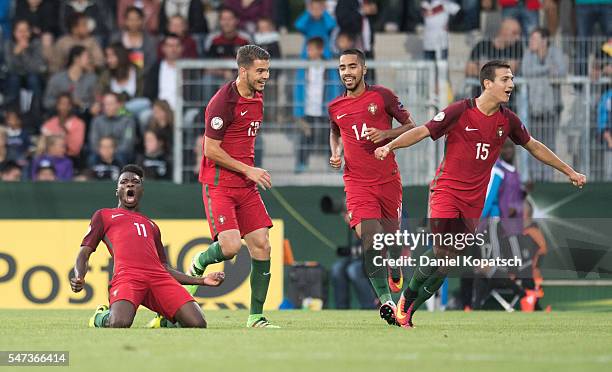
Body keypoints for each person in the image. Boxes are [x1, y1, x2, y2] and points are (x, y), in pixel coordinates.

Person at [374, 60, 587, 328]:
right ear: (487, 83)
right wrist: (390, 146)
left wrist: (569, 171)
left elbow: (534, 146)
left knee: (447, 262)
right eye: (505, 79)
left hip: (474, 202)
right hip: (446, 191)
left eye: (512, 79)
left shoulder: (507, 120)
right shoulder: (460, 111)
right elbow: (422, 131)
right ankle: (406, 297)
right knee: (442, 251)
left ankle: (408, 313)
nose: (511, 84)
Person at [173, 45, 278, 328]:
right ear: (243, 70)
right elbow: (210, 150)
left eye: (267, 70)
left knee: (262, 246)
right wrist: (248, 169)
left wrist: (249, 172)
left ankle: (256, 316)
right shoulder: (222, 102)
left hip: (246, 186)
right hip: (219, 185)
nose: (265, 76)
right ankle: (199, 262)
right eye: (260, 70)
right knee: (230, 247)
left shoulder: (257, 97)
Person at [70, 164, 225, 328]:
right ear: (117, 191)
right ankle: (99, 317)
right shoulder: (104, 215)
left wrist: (201, 281)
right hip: (128, 277)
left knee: (198, 323)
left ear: (142, 190)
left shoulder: (152, 226)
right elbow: (84, 252)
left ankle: (164, 320)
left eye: (135, 182)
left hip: (158, 278)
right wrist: (79, 276)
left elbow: (164, 268)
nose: (129, 184)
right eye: (124, 182)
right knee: (119, 323)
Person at [328, 48, 416, 326]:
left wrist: (385, 135)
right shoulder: (335, 107)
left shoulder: (383, 96)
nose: (347, 72)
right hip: (357, 183)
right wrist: (336, 152)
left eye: (352, 67)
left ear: (363, 69)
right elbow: (334, 130)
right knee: (370, 239)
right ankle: (387, 302)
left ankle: (395, 261)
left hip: (388, 180)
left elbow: (412, 127)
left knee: (388, 240)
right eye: (342, 68)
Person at [521, 27, 567, 180]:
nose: (531, 42)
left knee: (549, 145)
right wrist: (547, 69)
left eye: (534, 39)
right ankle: (535, 178)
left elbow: (561, 71)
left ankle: (547, 179)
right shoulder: (528, 53)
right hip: (533, 107)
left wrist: (541, 71)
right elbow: (525, 71)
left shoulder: (555, 52)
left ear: (544, 41)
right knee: (532, 145)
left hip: (552, 107)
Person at [293, 37, 341, 172]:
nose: (309, 52)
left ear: (320, 50)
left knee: (331, 138)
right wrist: (298, 112)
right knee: (306, 137)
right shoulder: (303, 67)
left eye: (312, 49)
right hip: (308, 109)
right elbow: (298, 89)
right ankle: (301, 164)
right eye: (308, 49)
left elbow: (335, 88)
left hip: (325, 110)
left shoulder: (330, 67)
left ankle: (333, 163)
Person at [3, 19, 47, 112]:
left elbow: (36, 68)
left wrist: (24, 53)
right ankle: (10, 111)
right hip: (14, 76)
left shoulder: (36, 43)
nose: (23, 34)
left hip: (32, 76)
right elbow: (9, 67)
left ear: (30, 32)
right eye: (20, 31)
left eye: (26, 31)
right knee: (13, 79)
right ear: (14, 33)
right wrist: (15, 54)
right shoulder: (8, 44)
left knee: (33, 79)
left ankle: (37, 110)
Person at [43, 45, 98, 114]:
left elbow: (95, 102)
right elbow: (47, 102)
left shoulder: (92, 79)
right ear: (76, 59)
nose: (89, 60)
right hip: (60, 115)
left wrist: (82, 104)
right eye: (87, 57)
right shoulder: (57, 79)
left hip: (84, 115)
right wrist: (63, 103)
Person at [89, 92, 137, 164]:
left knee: (121, 157)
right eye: (105, 104)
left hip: (120, 153)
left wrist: (111, 152)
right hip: (100, 153)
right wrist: (104, 151)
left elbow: (128, 143)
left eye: (110, 104)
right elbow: (93, 142)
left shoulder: (128, 121)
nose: (107, 107)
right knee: (92, 158)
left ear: (118, 105)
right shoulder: (96, 121)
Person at [41, 93, 86, 161]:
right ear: (57, 106)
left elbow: (75, 150)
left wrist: (65, 132)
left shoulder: (79, 124)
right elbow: (42, 145)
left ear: (71, 106)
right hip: (49, 159)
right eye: (61, 104)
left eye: (67, 104)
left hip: (69, 159)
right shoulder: (49, 123)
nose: (64, 107)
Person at [143, 33, 183, 110]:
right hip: (158, 109)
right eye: (170, 46)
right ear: (163, 48)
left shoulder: (188, 68)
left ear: (181, 48)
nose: (173, 49)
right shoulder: (155, 68)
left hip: (182, 110)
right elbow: (149, 93)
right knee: (145, 116)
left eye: (177, 46)